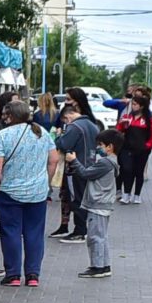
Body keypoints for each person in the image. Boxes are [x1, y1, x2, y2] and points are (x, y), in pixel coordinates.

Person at [0, 95, 55, 287]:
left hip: (9, 191)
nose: (2, 118)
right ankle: (33, 275)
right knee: (34, 233)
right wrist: (46, 181)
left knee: (11, 232)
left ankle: (13, 274)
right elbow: (53, 160)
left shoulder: (2, 136)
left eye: (4, 115)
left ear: (10, 116)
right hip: (37, 192)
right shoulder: (41, 132)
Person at [71, 126, 119, 279]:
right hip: (103, 204)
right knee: (101, 236)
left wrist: (74, 161)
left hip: (98, 204)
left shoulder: (105, 163)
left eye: (101, 145)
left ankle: (97, 266)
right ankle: (103, 265)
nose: (98, 148)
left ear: (110, 147)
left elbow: (85, 173)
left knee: (94, 237)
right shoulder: (111, 162)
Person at [54, 90, 98, 243]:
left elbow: (64, 144)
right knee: (83, 197)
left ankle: (79, 231)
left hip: (75, 166)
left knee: (76, 198)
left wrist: (59, 136)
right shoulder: (92, 124)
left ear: (68, 116)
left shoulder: (74, 127)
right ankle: (82, 228)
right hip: (89, 163)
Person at [114, 96, 152, 204]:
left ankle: (137, 195)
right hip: (127, 148)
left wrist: (147, 146)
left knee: (138, 172)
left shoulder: (148, 119)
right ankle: (126, 193)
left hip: (141, 150)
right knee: (127, 169)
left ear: (141, 106)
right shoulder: (128, 117)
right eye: (132, 104)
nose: (133, 106)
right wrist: (122, 124)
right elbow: (118, 131)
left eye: (135, 104)